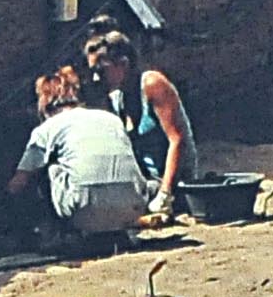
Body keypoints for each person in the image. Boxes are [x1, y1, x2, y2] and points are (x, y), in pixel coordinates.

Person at [78, 26, 192, 222]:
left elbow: (178, 139)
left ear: (123, 64)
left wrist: (165, 194)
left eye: (101, 70)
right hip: (145, 184)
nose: (96, 78)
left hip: (172, 184)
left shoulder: (152, 85)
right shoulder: (116, 98)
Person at [12, 94, 148, 247]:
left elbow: (20, 181)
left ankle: (62, 234)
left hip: (83, 211)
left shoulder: (46, 128)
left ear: (43, 104)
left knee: (50, 167)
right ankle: (116, 231)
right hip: (133, 207)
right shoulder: (112, 119)